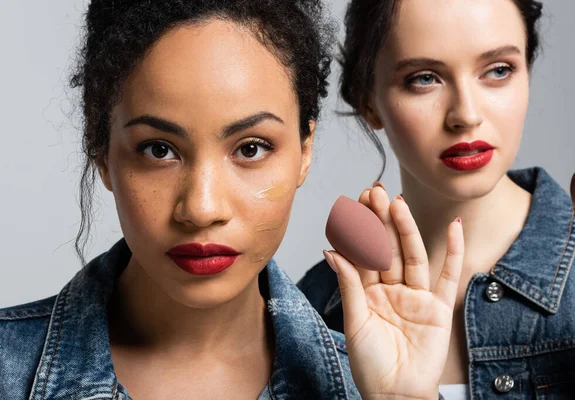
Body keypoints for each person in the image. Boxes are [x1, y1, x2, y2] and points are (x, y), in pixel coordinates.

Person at [0, 1, 466, 399]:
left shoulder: (362, 384)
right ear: (103, 155)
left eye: (250, 148)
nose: (202, 209)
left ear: (305, 153)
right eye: (159, 150)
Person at [299, 0, 575, 398]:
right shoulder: (313, 316)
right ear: (367, 99)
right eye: (424, 78)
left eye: (498, 70)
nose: (466, 114)